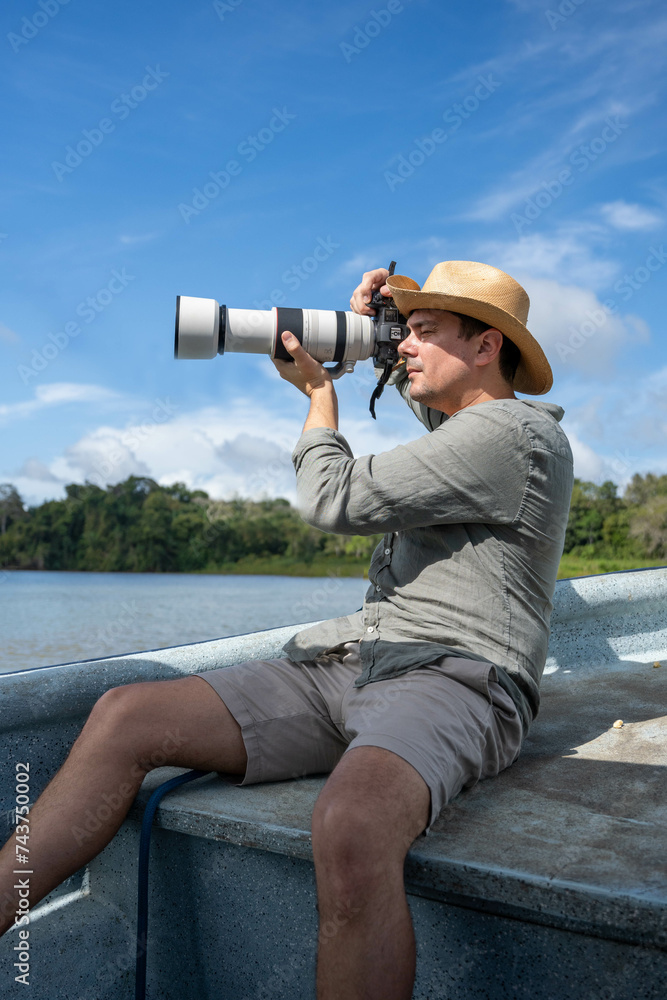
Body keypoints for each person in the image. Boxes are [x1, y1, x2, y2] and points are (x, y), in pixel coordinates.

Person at [0, 261, 574, 1000]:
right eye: (407, 333)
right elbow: (431, 401)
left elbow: (330, 498)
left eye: (424, 333)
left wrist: (318, 399)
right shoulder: (470, 428)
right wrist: (384, 331)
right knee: (125, 716)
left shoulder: (514, 434)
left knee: (351, 823)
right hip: (358, 660)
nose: (405, 347)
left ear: (487, 345)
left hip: (456, 677)